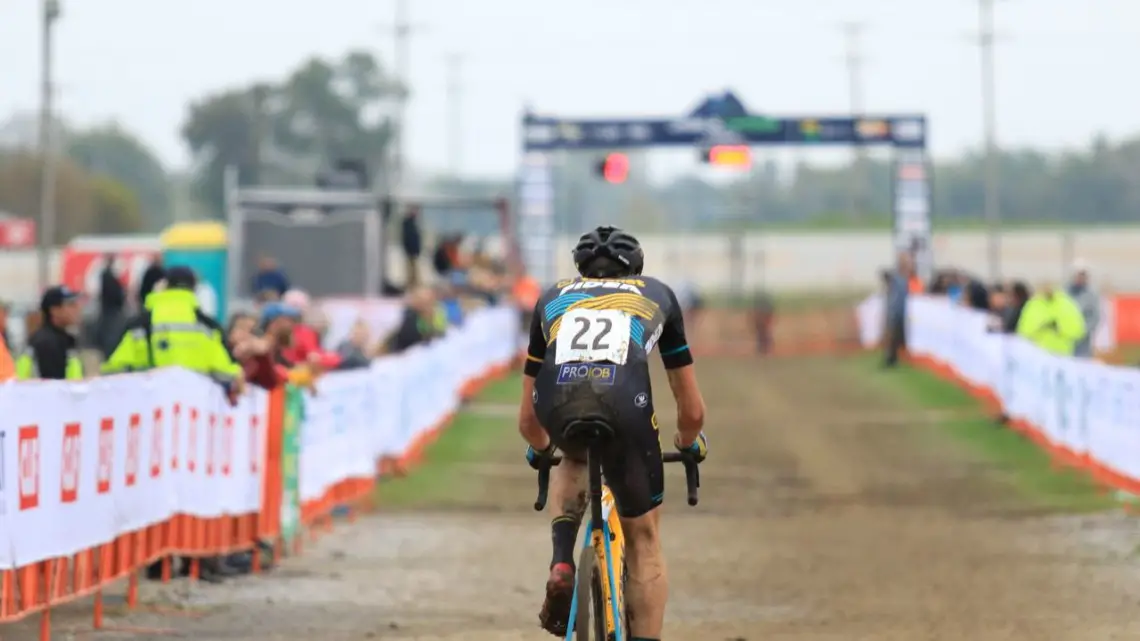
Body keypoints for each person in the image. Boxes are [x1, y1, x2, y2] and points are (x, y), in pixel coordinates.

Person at [519, 225, 708, 640]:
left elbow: (528, 423)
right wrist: (688, 444)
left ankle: (562, 559)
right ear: (635, 270)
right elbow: (690, 409)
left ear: (580, 270)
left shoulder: (551, 297)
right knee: (643, 537)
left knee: (570, 454)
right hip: (625, 405)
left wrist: (538, 451)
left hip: (559, 404)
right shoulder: (657, 294)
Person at [15, 286, 84, 380]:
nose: (77, 308)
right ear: (55, 311)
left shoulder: (62, 339)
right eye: (71, 304)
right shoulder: (48, 343)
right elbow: (52, 388)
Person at [1015, 282, 1086, 356]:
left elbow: (1079, 330)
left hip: (1061, 355)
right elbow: (1023, 332)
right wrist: (1041, 327)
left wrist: (1059, 327)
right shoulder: (1032, 305)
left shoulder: (1067, 304)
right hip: (1038, 355)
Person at [883, 253, 914, 367]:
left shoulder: (909, 278)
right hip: (895, 309)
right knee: (892, 334)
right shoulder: (895, 277)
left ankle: (898, 357)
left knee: (901, 335)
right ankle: (890, 358)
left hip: (905, 310)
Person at [1067, 261, 1101, 358]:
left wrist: (1082, 331)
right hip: (1065, 340)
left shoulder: (1092, 295)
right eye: (1078, 275)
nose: (1080, 278)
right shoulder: (1065, 293)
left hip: (1083, 341)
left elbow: (1095, 317)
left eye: (1083, 275)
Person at [97, 253, 127, 358]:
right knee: (110, 333)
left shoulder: (107, 275)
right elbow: (113, 293)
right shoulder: (108, 276)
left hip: (109, 309)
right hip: (111, 310)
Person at [401, 205, 423, 287]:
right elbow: (408, 237)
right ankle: (410, 284)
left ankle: (414, 284)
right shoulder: (407, 223)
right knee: (410, 270)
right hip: (410, 249)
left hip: (414, 250)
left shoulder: (414, 223)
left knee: (414, 269)